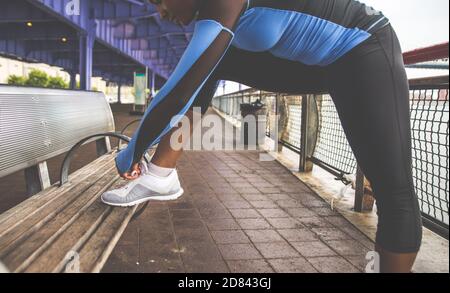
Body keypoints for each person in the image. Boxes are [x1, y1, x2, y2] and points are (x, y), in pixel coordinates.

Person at [101, 0, 423, 273]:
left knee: (394, 194)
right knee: (209, 65)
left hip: (366, 47)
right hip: (323, 64)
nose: (160, 12)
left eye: (159, 0)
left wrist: (131, 153)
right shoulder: (212, 17)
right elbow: (187, 83)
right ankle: (160, 175)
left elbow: (176, 93)